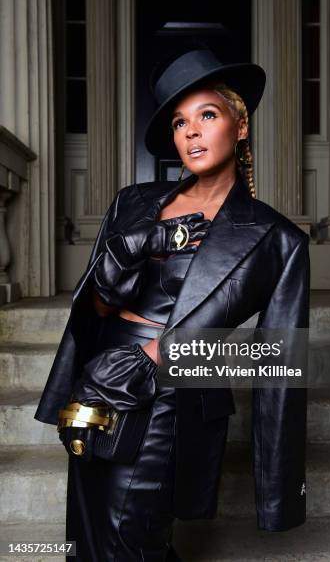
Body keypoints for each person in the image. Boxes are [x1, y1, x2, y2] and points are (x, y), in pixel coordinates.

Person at [34, 46, 310, 561]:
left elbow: (278, 361)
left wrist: (163, 355)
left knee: (131, 539)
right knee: (86, 538)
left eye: (208, 115)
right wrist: (133, 247)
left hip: (173, 396)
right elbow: (91, 312)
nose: (192, 132)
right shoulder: (132, 202)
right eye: (180, 122)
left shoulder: (277, 238)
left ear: (240, 125)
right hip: (100, 377)